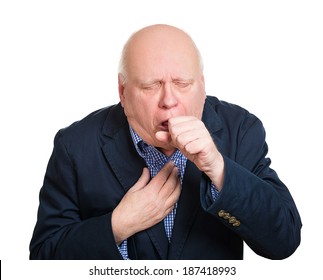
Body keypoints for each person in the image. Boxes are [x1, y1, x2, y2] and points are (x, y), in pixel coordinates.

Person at [29, 24, 302, 260]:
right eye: (151, 86)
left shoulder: (240, 130)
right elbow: (43, 256)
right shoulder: (75, 146)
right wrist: (117, 226)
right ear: (123, 92)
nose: (169, 101)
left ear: (203, 86)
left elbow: (284, 241)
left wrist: (219, 169)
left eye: (182, 84)